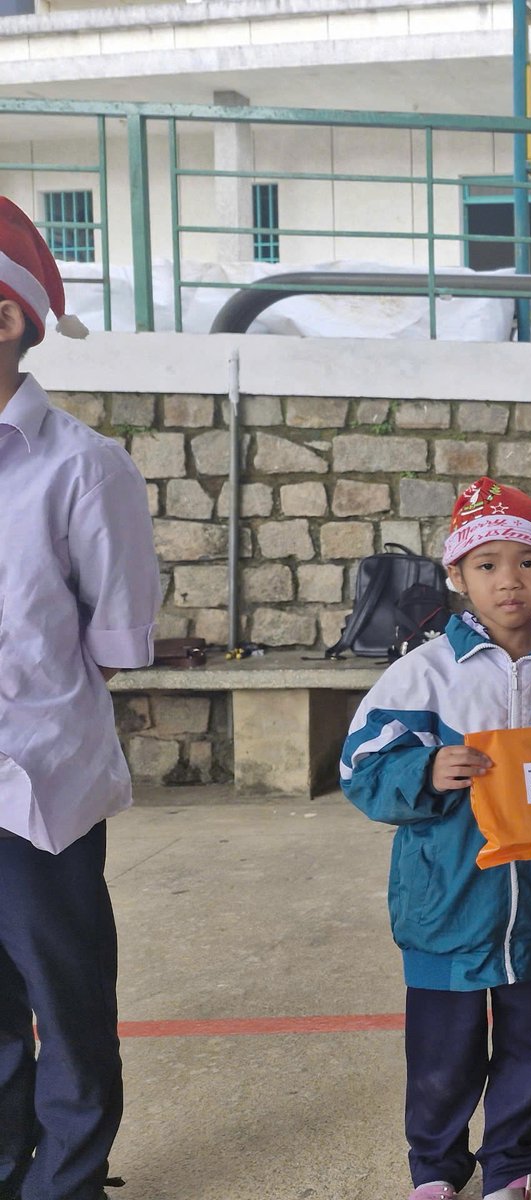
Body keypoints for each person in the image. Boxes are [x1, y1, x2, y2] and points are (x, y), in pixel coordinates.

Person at [341, 477, 531, 1200]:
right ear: (457, 575)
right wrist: (424, 769)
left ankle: (512, 1166)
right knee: (442, 1059)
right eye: (487, 564)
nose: (509, 580)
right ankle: (436, 1170)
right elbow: (359, 767)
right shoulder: (423, 674)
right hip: (445, 903)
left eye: (528, 562)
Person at [0, 198, 159, 1200]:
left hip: (35, 787)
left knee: (65, 999)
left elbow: (116, 636)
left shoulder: (83, 469)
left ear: (6, 318)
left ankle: (66, 1181)